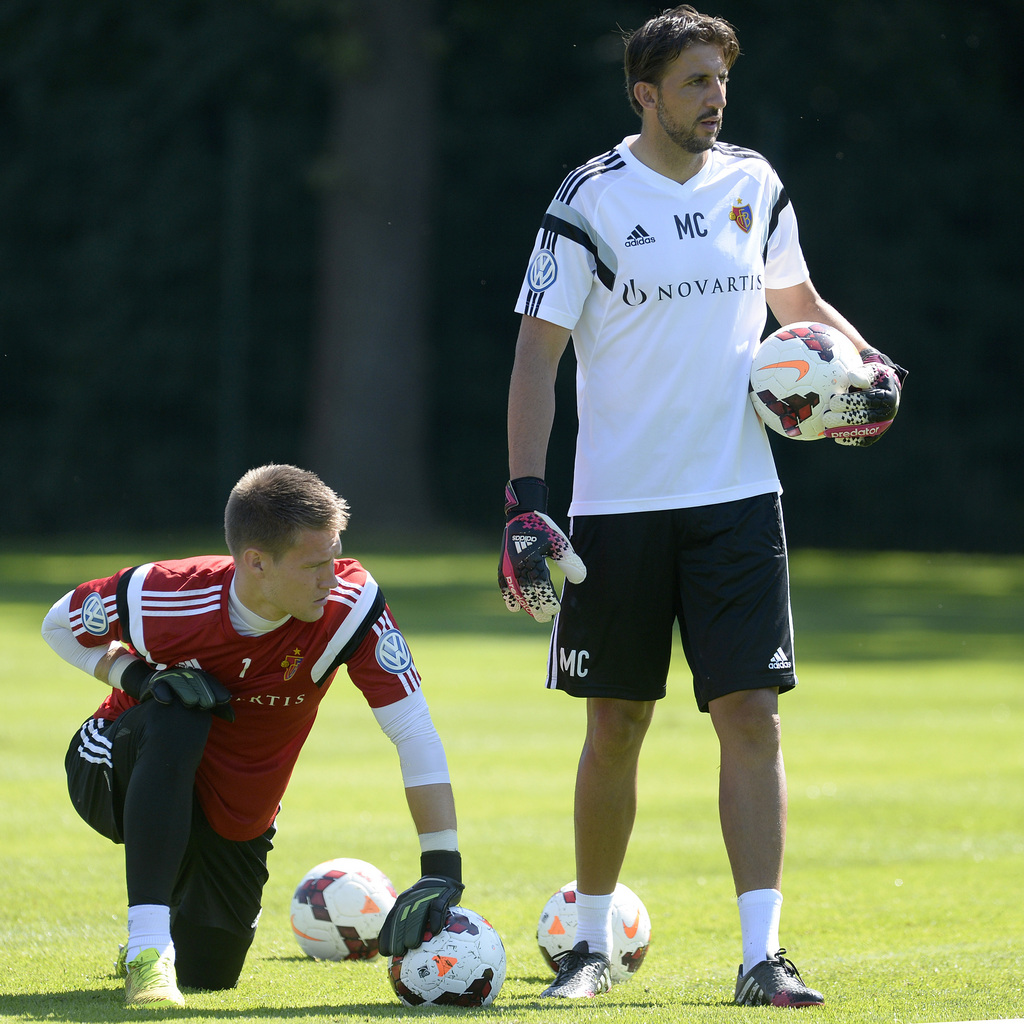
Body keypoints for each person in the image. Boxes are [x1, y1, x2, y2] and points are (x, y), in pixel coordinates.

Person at [498, 5, 906, 1008]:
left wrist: (867, 366)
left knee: (752, 718)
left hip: (737, 500)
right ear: (643, 93)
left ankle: (762, 955)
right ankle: (587, 945)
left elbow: (796, 303)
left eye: (720, 80)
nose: (714, 98)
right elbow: (535, 356)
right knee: (617, 725)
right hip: (618, 511)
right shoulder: (588, 198)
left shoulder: (754, 183)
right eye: (694, 82)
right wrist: (524, 502)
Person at [42, 464, 464, 1008]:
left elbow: (413, 729)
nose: (330, 578)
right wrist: (141, 679)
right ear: (256, 563)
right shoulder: (162, 594)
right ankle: (148, 948)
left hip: (234, 810)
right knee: (179, 713)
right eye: (314, 565)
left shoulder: (351, 607)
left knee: (211, 973)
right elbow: (59, 624)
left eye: (334, 558)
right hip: (112, 767)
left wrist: (441, 871)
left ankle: (168, 930)